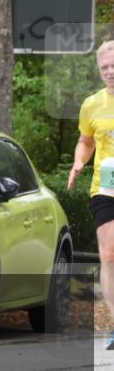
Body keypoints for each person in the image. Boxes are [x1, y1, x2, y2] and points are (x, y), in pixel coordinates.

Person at [68, 39, 114, 350]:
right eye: (105, 68)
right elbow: (86, 140)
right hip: (106, 187)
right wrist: (78, 161)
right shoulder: (92, 104)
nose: (110, 72)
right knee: (109, 255)